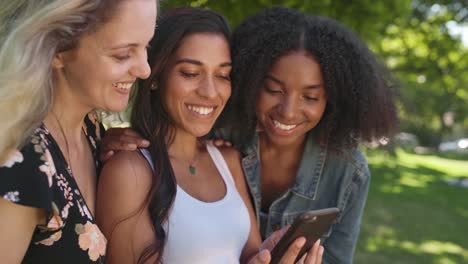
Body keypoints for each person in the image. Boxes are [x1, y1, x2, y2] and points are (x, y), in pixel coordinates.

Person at [96, 7, 323, 264]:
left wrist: (268, 255)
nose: (210, 92)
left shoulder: (227, 159)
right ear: (155, 76)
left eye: (223, 75)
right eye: (191, 73)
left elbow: (249, 254)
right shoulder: (130, 172)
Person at [216, 7, 399, 264]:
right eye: (273, 89)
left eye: (310, 97)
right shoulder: (216, 141)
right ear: (251, 82)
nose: (288, 112)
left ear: (331, 99)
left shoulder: (348, 172)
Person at [0, 0, 157, 263]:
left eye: (146, 47)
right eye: (123, 54)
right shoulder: (20, 160)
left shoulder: (93, 131)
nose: (145, 70)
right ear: (58, 50)